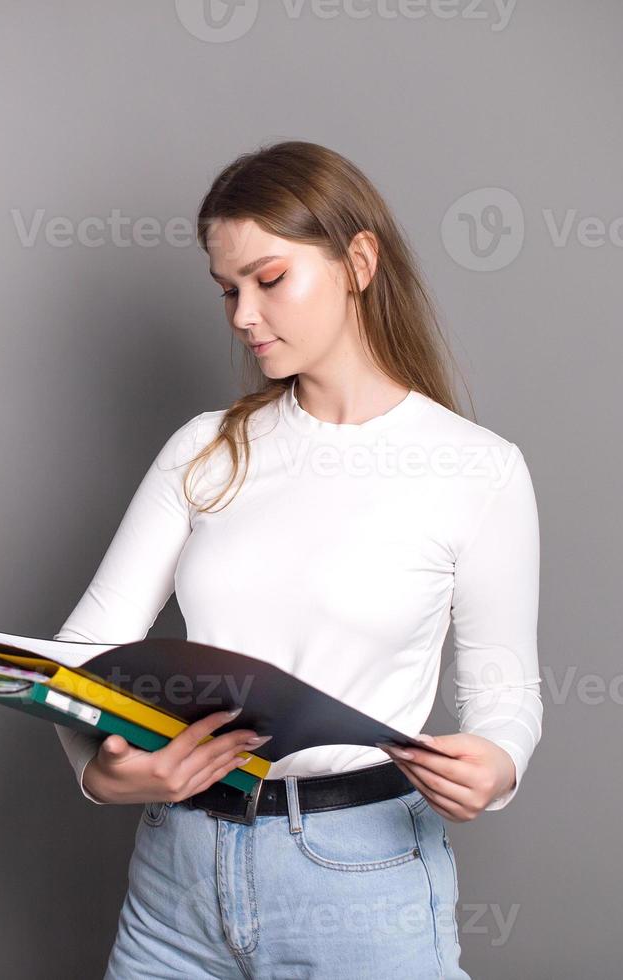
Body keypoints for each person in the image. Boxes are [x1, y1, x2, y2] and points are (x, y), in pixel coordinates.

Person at [52, 141, 543, 979]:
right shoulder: (203, 450)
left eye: (268, 279)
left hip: (361, 877)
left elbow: (506, 694)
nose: (244, 314)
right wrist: (105, 778)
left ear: (358, 261)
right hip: (176, 882)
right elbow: (77, 657)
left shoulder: (477, 469)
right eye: (227, 290)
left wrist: (495, 766)